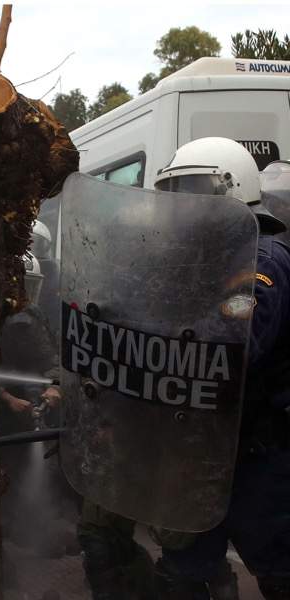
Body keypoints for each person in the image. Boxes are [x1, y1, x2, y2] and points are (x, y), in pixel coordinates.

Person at [150, 138, 290, 599]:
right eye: (178, 194)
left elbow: (234, 337)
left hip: (260, 454)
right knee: (185, 573)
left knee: (279, 572)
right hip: (206, 448)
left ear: (234, 189)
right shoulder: (202, 262)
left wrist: (164, 340)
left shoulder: (263, 260)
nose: (186, 208)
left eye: (195, 190)